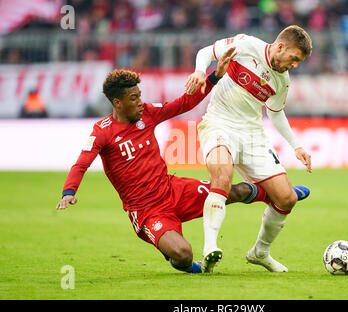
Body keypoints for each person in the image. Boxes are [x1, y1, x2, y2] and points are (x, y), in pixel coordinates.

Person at [56, 48, 309, 274]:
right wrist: (69, 191)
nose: (139, 102)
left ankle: (278, 195)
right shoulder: (102, 131)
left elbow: (184, 103)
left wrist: (214, 77)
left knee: (230, 191)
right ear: (117, 102)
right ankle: (189, 267)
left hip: (172, 189)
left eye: (139, 95)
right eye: (133, 98)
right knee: (183, 253)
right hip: (146, 211)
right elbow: (81, 163)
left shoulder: (148, 113)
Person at [185, 25, 312, 273]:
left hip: (253, 136)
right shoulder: (245, 45)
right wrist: (200, 72)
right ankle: (210, 247)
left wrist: (296, 146)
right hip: (219, 123)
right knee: (222, 178)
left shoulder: (282, 80)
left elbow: (275, 114)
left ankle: (260, 252)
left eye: (299, 62)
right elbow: (205, 51)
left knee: (287, 198)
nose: (294, 65)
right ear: (280, 46)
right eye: (294, 58)